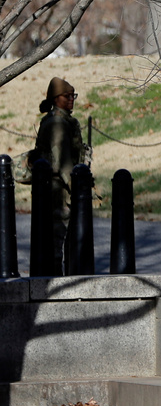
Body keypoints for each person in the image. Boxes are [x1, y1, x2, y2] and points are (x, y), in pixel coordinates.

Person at [35, 77, 90, 274]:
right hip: (59, 193)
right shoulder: (57, 124)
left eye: (72, 95)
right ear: (55, 98)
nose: (71, 99)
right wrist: (80, 192)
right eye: (66, 96)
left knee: (61, 242)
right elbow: (63, 162)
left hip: (56, 190)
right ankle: (57, 284)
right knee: (58, 243)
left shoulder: (60, 120)